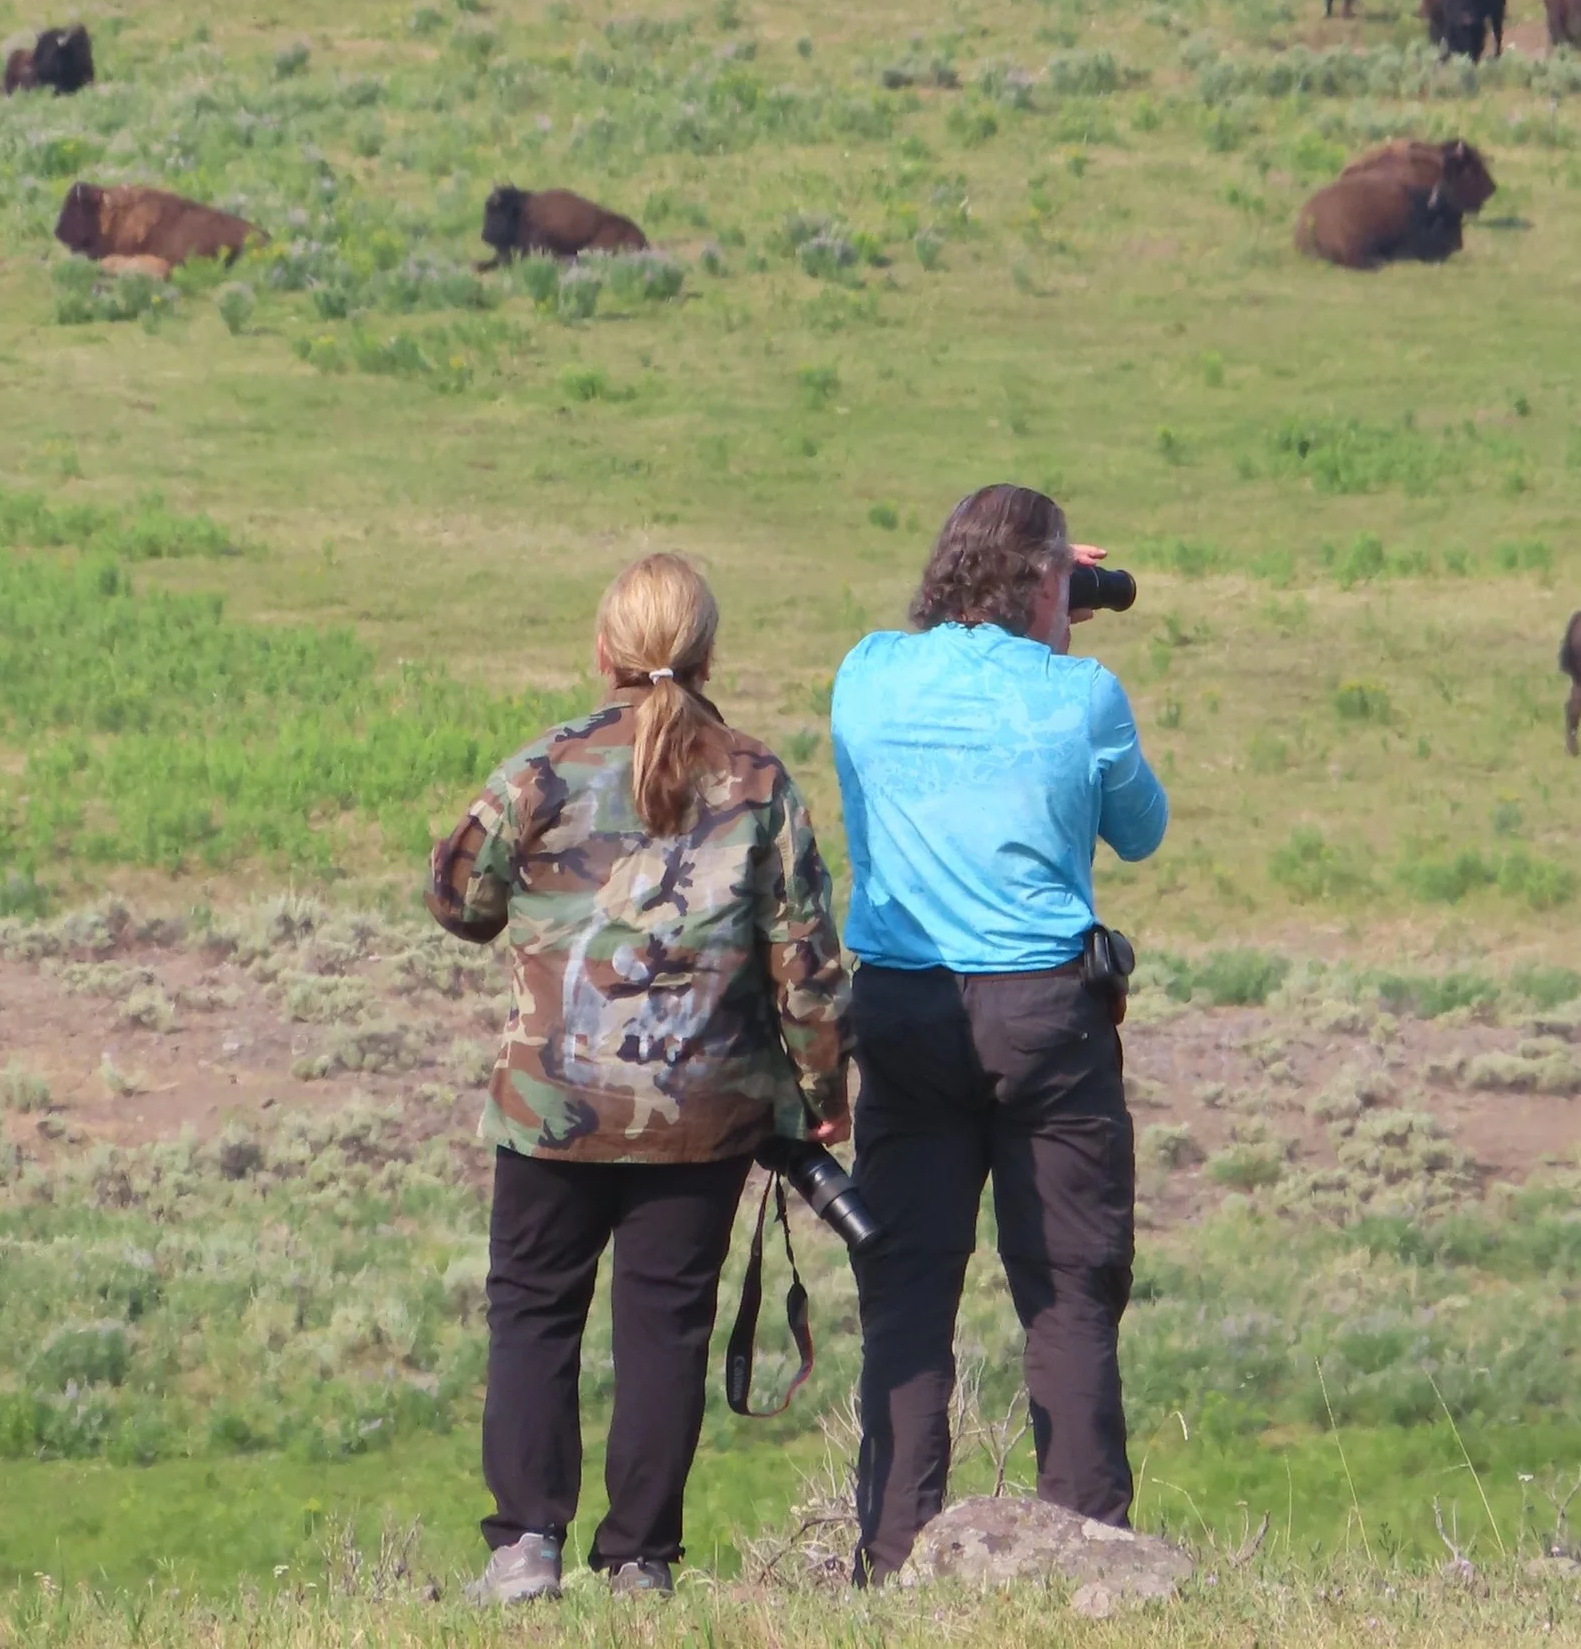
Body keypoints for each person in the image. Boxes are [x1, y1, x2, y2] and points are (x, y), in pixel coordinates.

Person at [428, 553, 851, 1605]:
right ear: (707, 653)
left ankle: (525, 1546)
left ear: (605, 650)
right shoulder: (757, 780)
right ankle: (639, 1562)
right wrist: (823, 1093)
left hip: (550, 1105)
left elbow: (455, 896)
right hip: (701, 1113)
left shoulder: (541, 768)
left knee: (533, 1309)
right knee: (665, 1324)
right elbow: (803, 959)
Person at [828, 484, 1170, 1581]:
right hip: (1045, 1018)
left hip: (905, 1008)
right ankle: (1090, 1557)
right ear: (1042, 583)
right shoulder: (1082, 694)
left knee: (908, 1292)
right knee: (1069, 1290)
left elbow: (933, 647)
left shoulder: (867, 675)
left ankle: (892, 1563)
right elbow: (1141, 829)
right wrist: (1062, 629)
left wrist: (1036, 585)